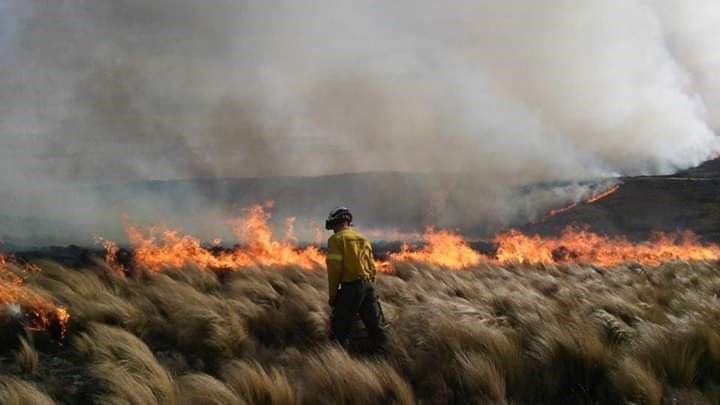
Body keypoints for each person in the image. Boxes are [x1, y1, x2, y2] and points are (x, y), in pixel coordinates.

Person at [325, 207, 387, 352]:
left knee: (340, 328)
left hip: (351, 287)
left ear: (339, 222)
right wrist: (369, 284)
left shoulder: (336, 240)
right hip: (368, 285)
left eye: (333, 225)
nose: (333, 229)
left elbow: (334, 270)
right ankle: (382, 356)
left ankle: (338, 361)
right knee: (376, 327)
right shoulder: (363, 239)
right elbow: (372, 267)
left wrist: (333, 295)